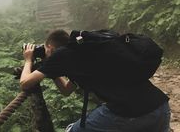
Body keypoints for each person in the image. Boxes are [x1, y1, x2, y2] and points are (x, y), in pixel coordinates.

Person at [20, 29, 170, 132]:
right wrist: (50, 70)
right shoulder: (84, 50)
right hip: (160, 108)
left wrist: (28, 60)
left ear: (50, 47)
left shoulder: (61, 55)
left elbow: (25, 82)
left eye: (46, 50)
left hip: (129, 113)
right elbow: (66, 90)